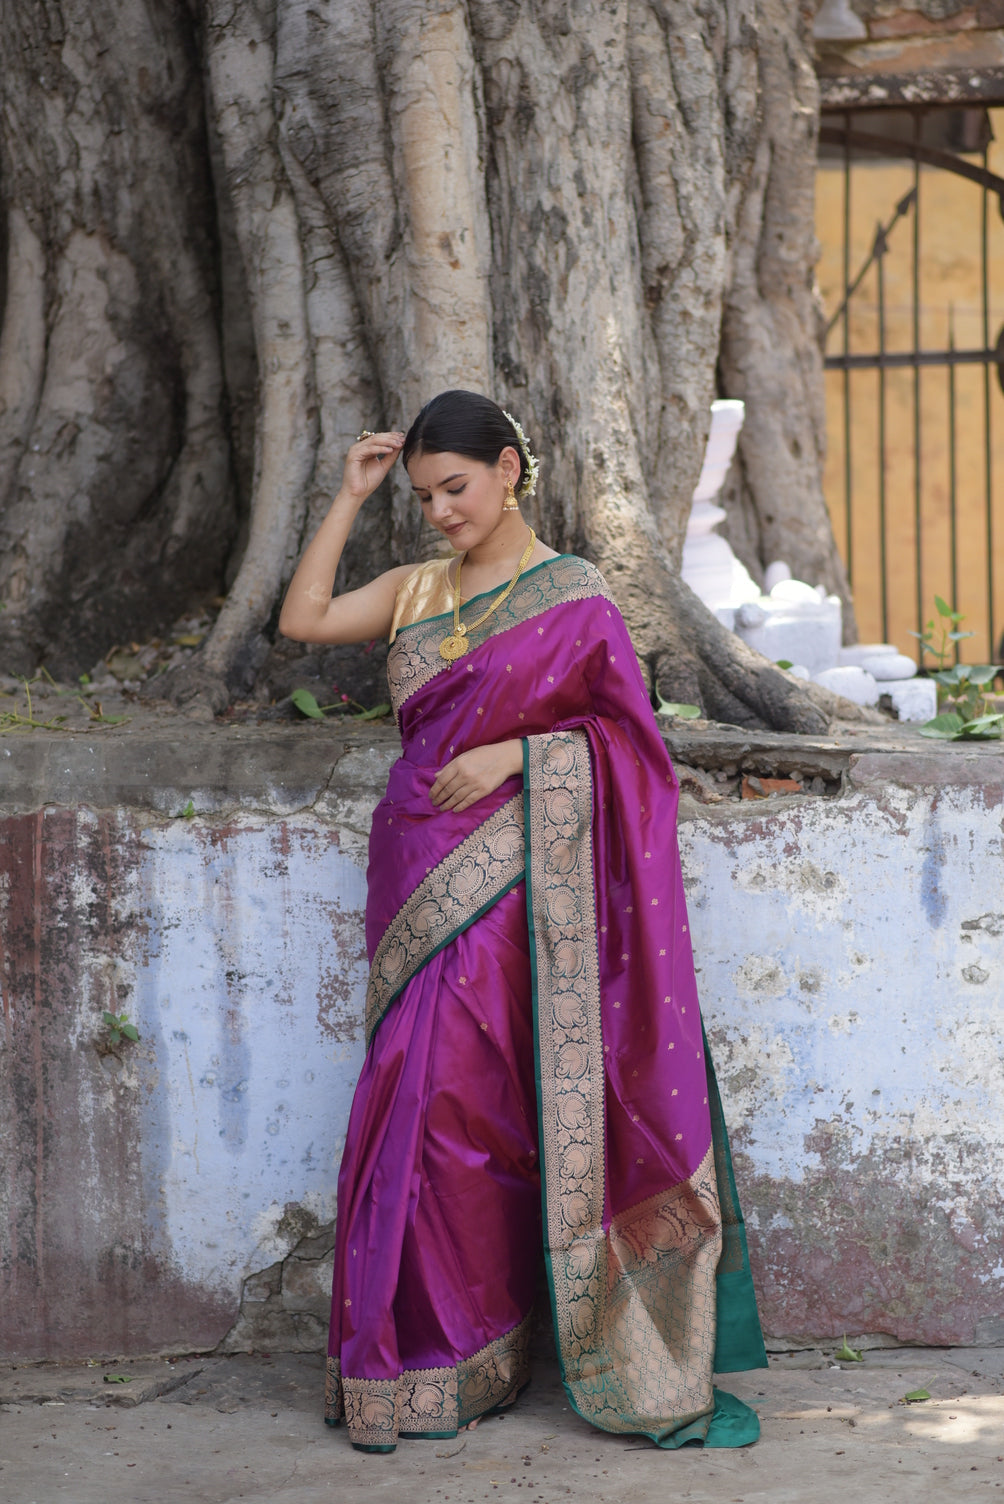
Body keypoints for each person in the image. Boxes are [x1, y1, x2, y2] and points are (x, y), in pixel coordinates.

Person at [279, 390, 767, 1454]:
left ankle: (475, 1346)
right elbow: (302, 620)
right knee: (403, 1102)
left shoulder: (575, 597)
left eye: (454, 488)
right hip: (412, 867)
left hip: (511, 884)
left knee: (468, 1108)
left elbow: (631, 748)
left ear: (508, 470)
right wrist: (349, 497)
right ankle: (403, 1356)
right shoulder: (413, 588)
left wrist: (518, 755)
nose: (440, 512)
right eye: (423, 497)